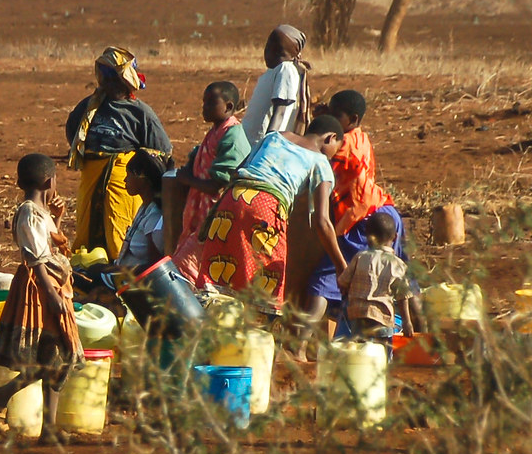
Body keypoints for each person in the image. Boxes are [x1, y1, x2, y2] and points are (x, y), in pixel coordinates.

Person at [195, 116, 347, 315]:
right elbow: (322, 222)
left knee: (220, 268)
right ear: (330, 138)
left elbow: (238, 170)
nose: (332, 156)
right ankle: (256, 334)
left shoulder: (275, 136)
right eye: (336, 148)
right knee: (266, 277)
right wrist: (340, 267)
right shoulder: (320, 162)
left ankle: (203, 328)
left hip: (232, 200)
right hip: (265, 209)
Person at [305, 90, 425, 333]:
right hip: (386, 212)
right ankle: (426, 339)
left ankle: (299, 343)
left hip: (360, 220)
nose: (331, 119)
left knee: (323, 281)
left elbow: (316, 151)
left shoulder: (340, 146)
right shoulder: (361, 138)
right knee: (404, 277)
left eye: (335, 115)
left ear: (354, 119)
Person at [0, 153, 84, 443]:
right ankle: (0, 396)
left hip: (52, 286)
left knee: (56, 356)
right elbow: (36, 258)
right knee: (54, 355)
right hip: (40, 289)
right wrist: (51, 294)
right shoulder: (28, 212)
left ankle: (49, 429)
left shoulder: (39, 212)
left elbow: (54, 246)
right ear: (49, 180)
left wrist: (57, 218)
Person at [65, 46, 172, 262]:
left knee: (118, 226)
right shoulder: (89, 106)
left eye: (115, 77)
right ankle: (87, 268)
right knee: (87, 226)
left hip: (122, 179)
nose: (110, 83)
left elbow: (161, 150)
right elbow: (73, 132)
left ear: (126, 80)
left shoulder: (140, 112)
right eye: (106, 77)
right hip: (91, 174)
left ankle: (118, 270)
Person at [171, 81, 251, 280]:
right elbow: (199, 155)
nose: (204, 108)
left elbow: (218, 185)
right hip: (203, 213)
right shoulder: (217, 131)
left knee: (186, 265)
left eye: (210, 103)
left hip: (217, 215)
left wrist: (187, 179)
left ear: (229, 107)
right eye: (203, 102)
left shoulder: (232, 136)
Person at [74, 149, 168, 303]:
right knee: (82, 272)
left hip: (131, 285)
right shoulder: (144, 209)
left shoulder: (155, 217)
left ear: (142, 178)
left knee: (76, 279)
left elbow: (153, 269)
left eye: (128, 175)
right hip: (121, 275)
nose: (124, 180)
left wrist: (113, 271)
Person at [337, 212, 415, 357]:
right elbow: (402, 296)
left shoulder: (360, 257)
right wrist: (407, 322)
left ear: (367, 236)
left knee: (359, 351)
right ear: (395, 237)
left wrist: (349, 293)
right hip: (382, 316)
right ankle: (382, 372)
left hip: (357, 314)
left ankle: (360, 373)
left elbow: (343, 282)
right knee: (382, 351)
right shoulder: (396, 264)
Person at [242, 25, 312, 147]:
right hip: (251, 144)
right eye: (268, 48)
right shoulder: (273, 72)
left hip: (260, 144)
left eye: (278, 52)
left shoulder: (286, 69)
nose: (269, 53)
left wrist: (267, 144)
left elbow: (280, 111)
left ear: (292, 56)